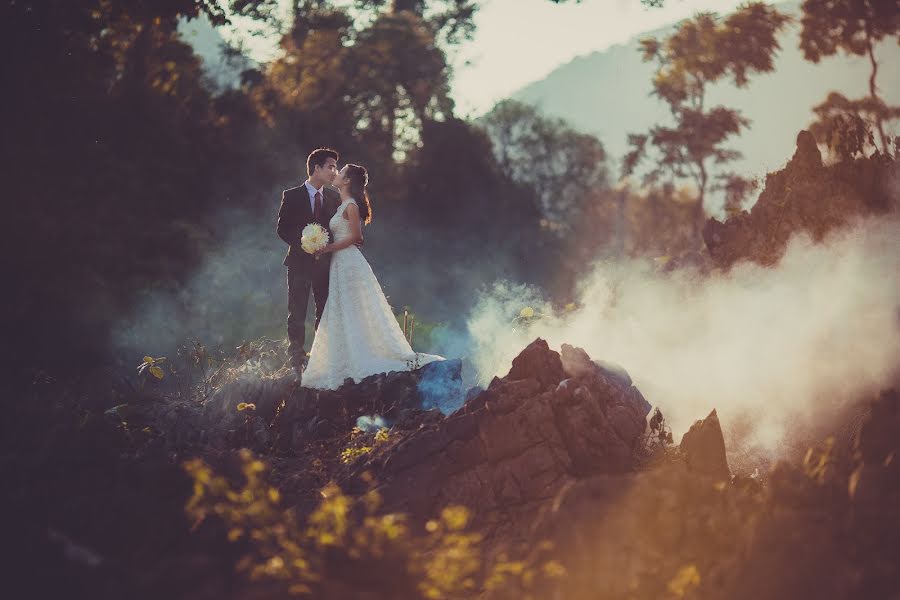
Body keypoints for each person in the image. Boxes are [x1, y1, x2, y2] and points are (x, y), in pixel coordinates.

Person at [301, 163, 443, 390]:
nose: (336, 174)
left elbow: (356, 237)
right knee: (343, 308)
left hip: (349, 263)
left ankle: (361, 358)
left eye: (341, 171)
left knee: (354, 308)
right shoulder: (342, 205)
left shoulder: (351, 205)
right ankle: (347, 358)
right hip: (341, 263)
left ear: (347, 181)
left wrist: (326, 248)